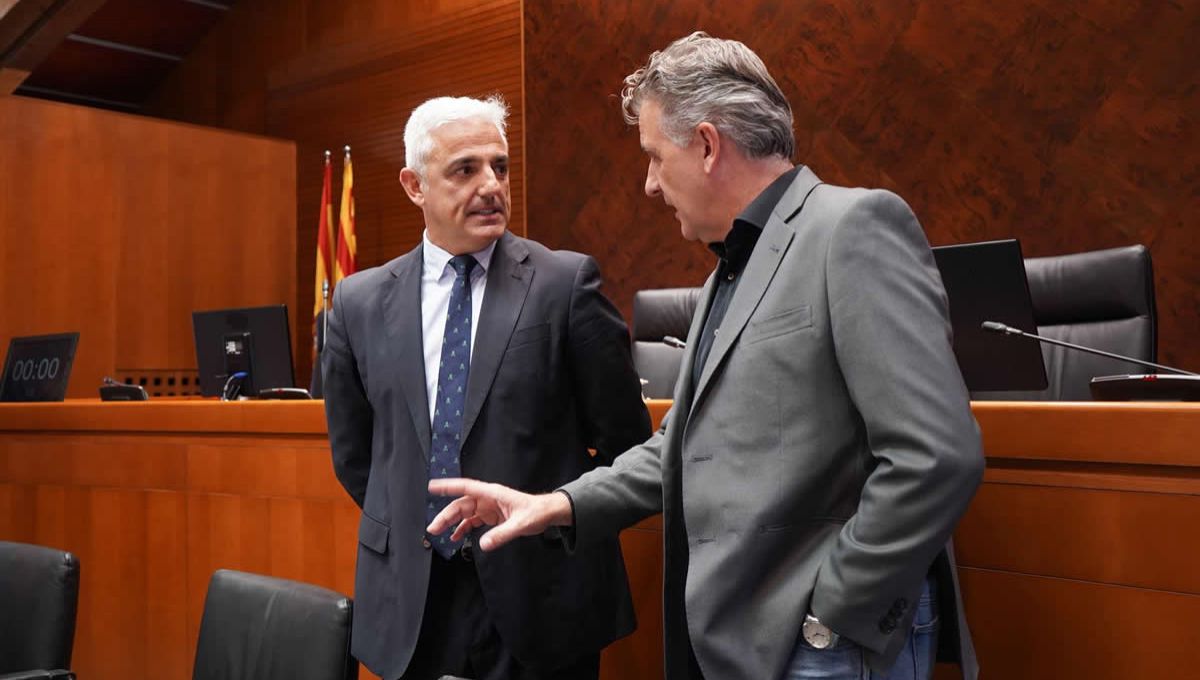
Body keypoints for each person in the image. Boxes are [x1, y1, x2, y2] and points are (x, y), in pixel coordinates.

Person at [428, 33, 985, 680]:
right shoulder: (732, 265)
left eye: (655, 157)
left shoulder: (852, 228)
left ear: (708, 145)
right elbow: (683, 448)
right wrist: (556, 505)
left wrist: (834, 612)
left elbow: (935, 455)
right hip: (744, 638)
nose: (649, 184)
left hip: (822, 645)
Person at [323, 95, 651, 680]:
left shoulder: (564, 285)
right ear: (415, 186)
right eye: (465, 169)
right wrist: (419, 519)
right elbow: (357, 457)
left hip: (542, 595)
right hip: (415, 599)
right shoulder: (358, 302)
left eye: (499, 167)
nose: (491, 186)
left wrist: (552, 519)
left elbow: (626, 444)